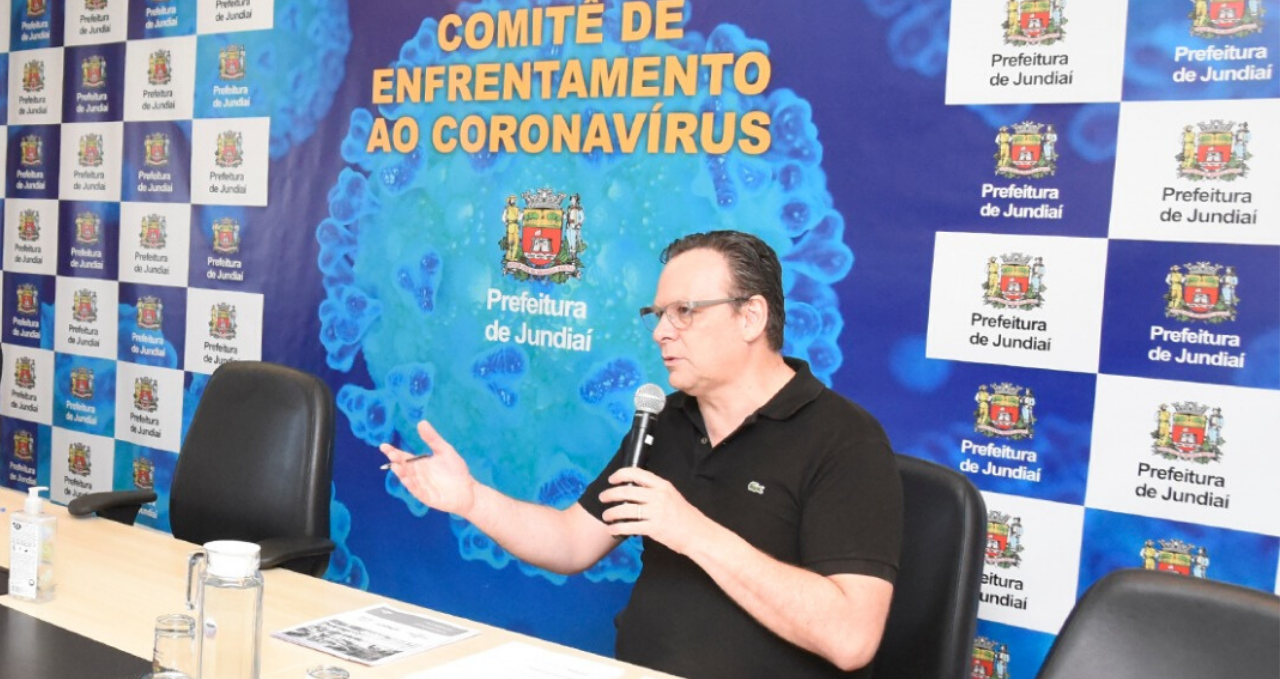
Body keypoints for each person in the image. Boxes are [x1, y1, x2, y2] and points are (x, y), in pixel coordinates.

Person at [381, 230, 903, 679]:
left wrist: (691, 531)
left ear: (751, 317)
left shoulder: (845, 440)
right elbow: (572, 542)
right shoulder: (665, 420)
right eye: (657, 315)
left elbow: (851, 639)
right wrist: (471, 499)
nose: (660, 332)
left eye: (684, 312)